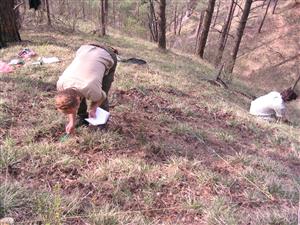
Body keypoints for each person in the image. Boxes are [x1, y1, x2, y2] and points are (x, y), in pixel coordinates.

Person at [55, 43, 118, 134]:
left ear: (78, 99)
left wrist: (93, 108)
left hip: (107, 54)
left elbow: (102, 96)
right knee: (83, 95)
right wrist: (72, 122)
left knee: (102, 91)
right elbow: (70, 105)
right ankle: (81, 117)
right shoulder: (61, 85)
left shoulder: (91, 88)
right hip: (85, 50)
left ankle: (101, 124)